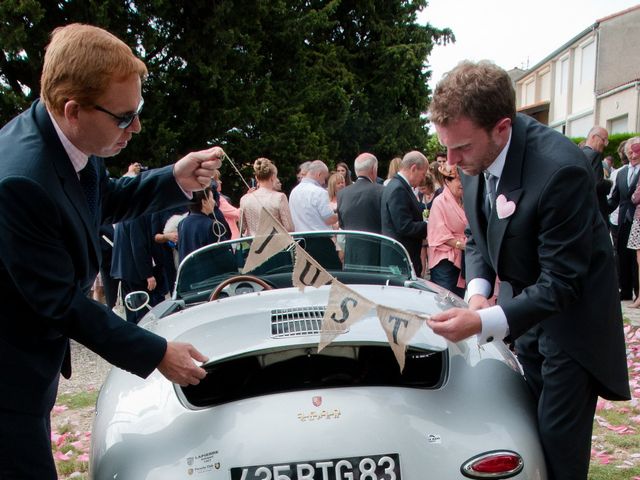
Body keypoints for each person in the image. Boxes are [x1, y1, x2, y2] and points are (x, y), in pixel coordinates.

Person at [0, 24, 222, 479]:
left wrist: (174, 178)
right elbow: (61, 303)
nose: (136, 127)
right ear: (73, 110)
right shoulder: (20, 180)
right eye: (124, 117)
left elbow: (104, 197)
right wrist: (157, 352)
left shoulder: (66, 138)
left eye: (137, 111)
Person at [426, 60, 629, 480]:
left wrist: (481, 321)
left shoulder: (561, 171)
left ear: (502, 128)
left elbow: (562, 283)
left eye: (460, 147)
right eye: (446, 146)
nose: (449, 160)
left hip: (572, 331)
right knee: (521, 436)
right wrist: (478, 291)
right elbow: (481, 237)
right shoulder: (474, 160)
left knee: (556, 451)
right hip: (523, 319)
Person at [381, 151, 429, 276]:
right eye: (423, 174)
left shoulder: (397, 186)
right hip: (400, 258)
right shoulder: (398, 189)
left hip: (400, 255)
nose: (423, 179)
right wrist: (429, 225)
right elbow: (404, 226)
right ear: (413, 168)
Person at [289, 160, 340, 268]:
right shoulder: (319, 192)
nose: (323, 182)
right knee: (333, 274)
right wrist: (341, 214)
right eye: (324, 178)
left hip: (300, 242)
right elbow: (329, 218)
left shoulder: (294, 192)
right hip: (320, 242)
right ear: (319, 174)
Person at [427, 163, 466, 296]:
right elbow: (439, 234)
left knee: (459, 300)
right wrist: (462, 245)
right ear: (447, 182)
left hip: (464, 258)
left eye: (463, 180)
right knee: (446, 300)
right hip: (445, 260)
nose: (461, 184)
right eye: (457, 180)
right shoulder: (439, 202)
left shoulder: (466, 201)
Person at [608, 137, 640, 300]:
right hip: (622, 219)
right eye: (630, 152)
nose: (633, 156)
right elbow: (614, 199)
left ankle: (638, 292)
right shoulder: (621, 173)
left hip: (638, 220)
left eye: (636, 152)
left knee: (636, 258)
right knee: (622, 255)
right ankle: (625, 290)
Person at [239, 157, 294, 235]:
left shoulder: (245, 199)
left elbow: (242, 227)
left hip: (254, 244)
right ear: (273, 177)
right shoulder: (280, 197)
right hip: (277, 244)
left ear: (256, 178)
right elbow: (289, 228)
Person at [177, 187, 219, 261]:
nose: (214, 202)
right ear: (204, 202)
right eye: (212, 198)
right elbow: (221, 255)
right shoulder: (211, 225)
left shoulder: (182, 223)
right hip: (208, 271)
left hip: (187, 271)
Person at [581, 126, 611, 222]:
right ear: (594, 137)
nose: (605, 144)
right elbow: (597, 184)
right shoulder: (594, 155)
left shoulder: (579, 153)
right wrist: (610, 183)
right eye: (604, 140)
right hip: (596, 212)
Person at [212, 170, 241, 239]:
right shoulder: (219, 200)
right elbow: (238, 214)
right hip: (231, 237)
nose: (220, 182)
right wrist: (247, 199)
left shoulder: (217, 198)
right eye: (217, 179)